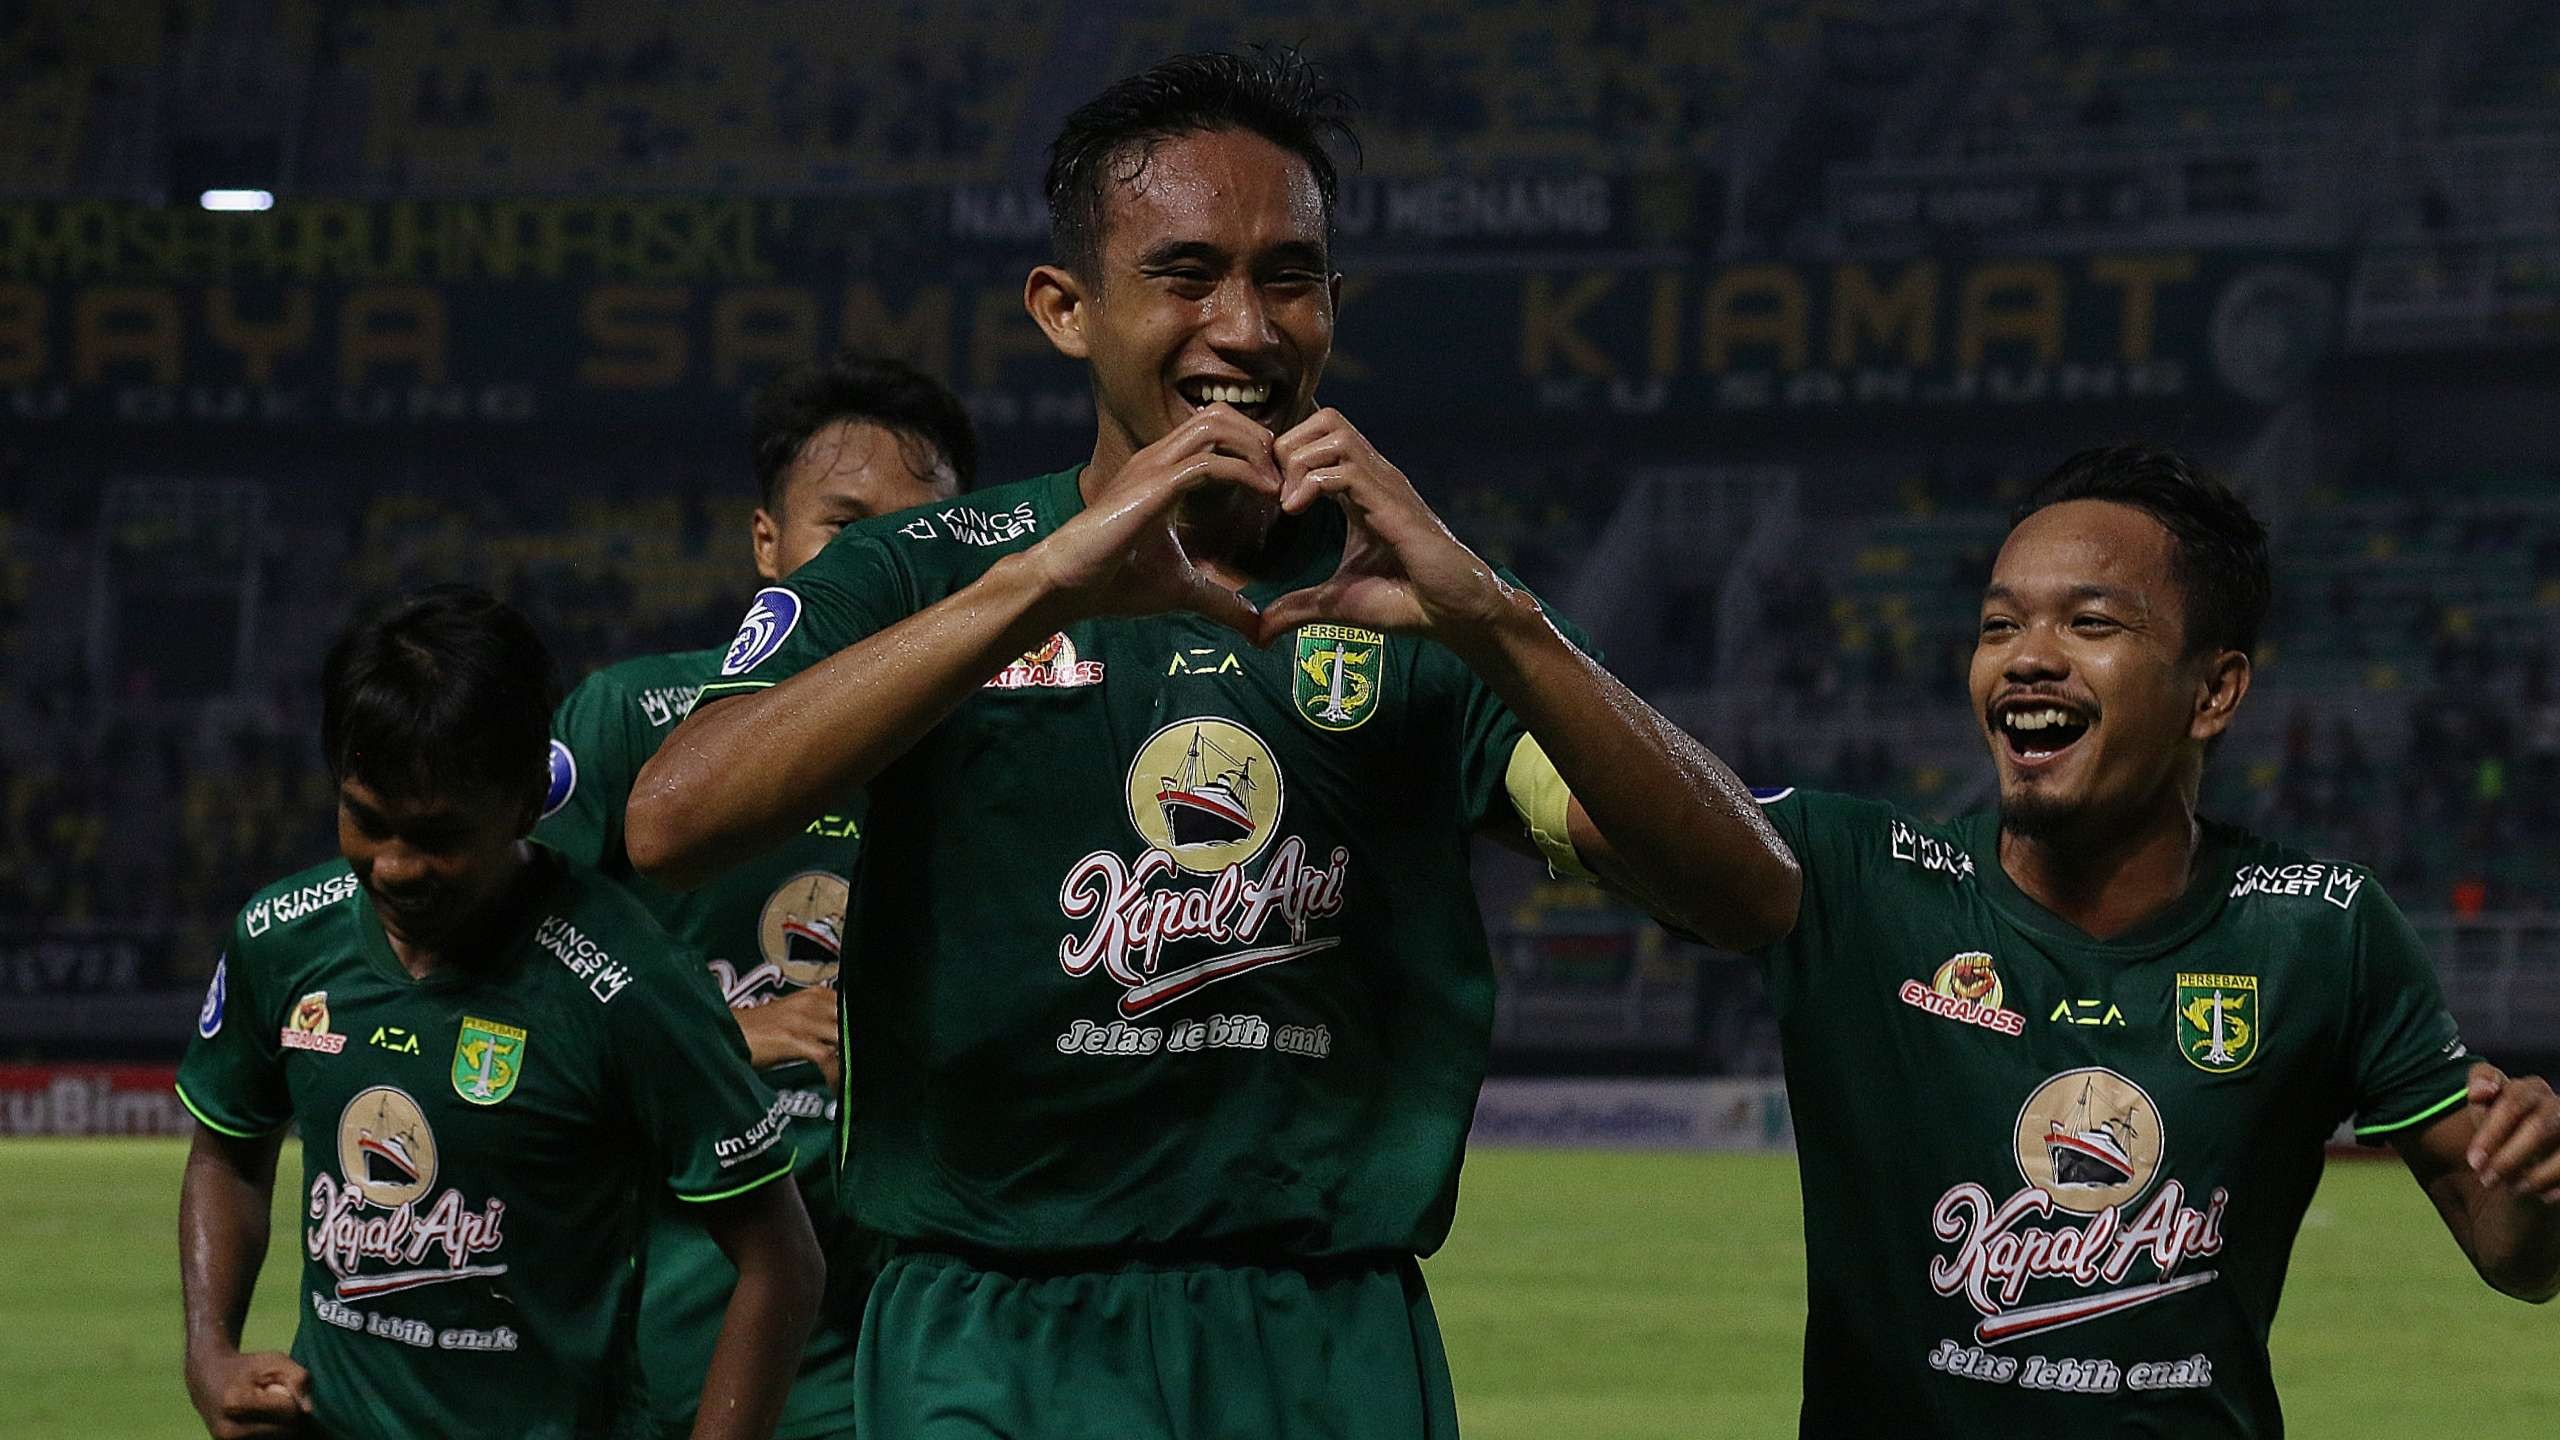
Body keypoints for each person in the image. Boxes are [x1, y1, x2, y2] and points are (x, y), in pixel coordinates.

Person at [624, 47, 1799, 1439]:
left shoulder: (1422, 601)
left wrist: (1501, 624)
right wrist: (1044, 589)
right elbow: (672, 820)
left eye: (1287, 276)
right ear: (1067, 308)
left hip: (1321, 1337)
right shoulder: (926, 570)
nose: (1241, 324)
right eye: (1185, 274)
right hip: (991, 1333)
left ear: (1333, 308)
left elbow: (1753, 895)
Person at [1748, 445, 2560, 1437]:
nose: (2028, 654)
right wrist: (1505, 628)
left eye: (2088, 623)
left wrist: (2535, 1176)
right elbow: (1599, 804)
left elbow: (2518, 1258)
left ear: (2212, 693)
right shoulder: (1856, 875)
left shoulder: (2319, 926)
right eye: (1998, 624)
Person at [176, 586, 823, 1440]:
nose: (398, 868)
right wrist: (209, 1354)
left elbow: (782, 1261)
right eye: (367, 822)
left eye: (438, 836)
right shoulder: (281, 938)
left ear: (525, 803)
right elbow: (228, 1152)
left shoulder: (629, 982)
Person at [538, 352, 973, 1439]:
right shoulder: (634, 727)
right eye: (847, 524)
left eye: (926, 532)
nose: (888, 562)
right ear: (767, 544)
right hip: (660, 1338)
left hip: (925, 1342)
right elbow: (491, 1010)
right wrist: (727, 1034)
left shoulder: (1013, 756)